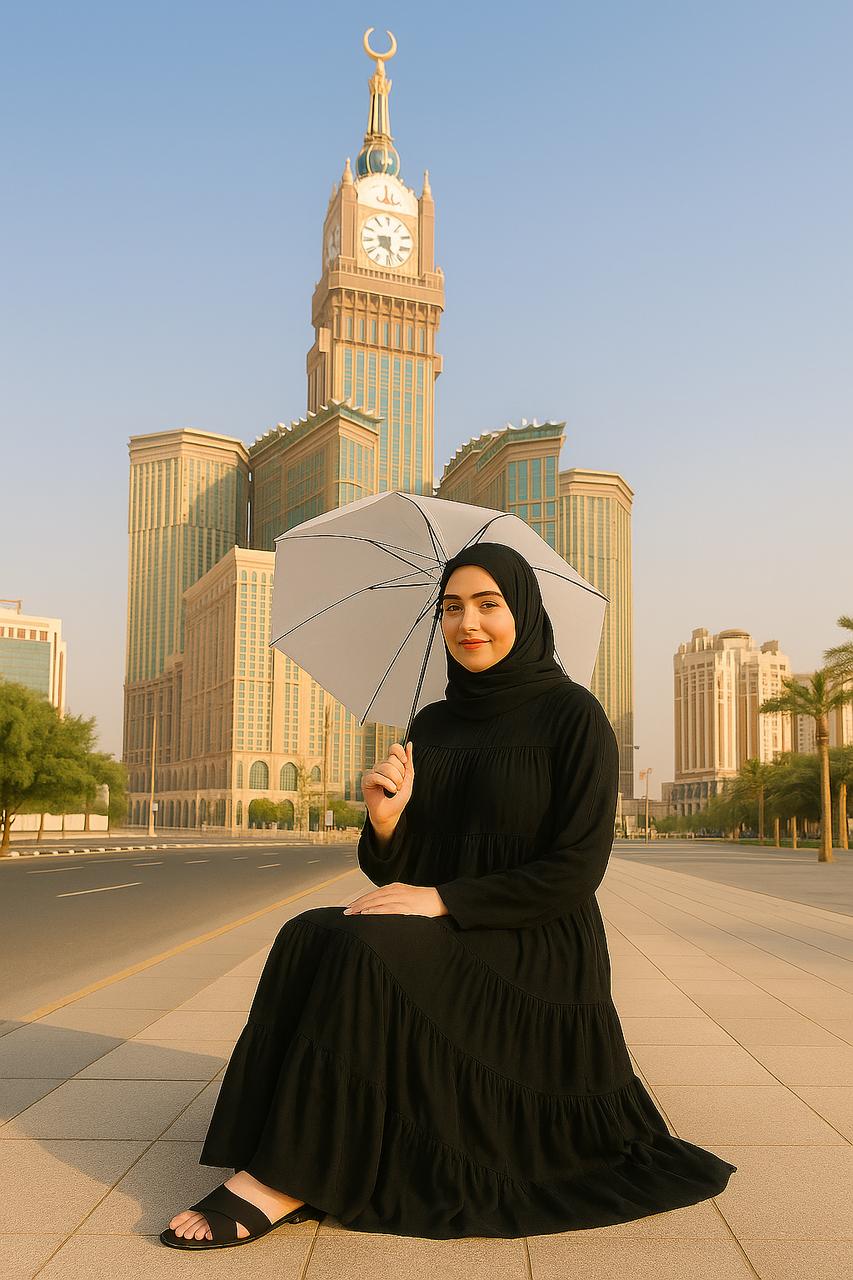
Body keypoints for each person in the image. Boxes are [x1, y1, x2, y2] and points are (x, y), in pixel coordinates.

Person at [161, 543, 737, 1249]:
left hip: (537, 938)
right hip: (457, 922)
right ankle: (287, 1144)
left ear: (522, 611)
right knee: (311, 932)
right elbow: (409, 870)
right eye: (452, 608)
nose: (469, 623)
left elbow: (576, 868)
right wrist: (384, 820)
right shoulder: (432, 724)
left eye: (488, 605)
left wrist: (443, 902)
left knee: (367, 947)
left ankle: (285, 1180)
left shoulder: (572, 716)